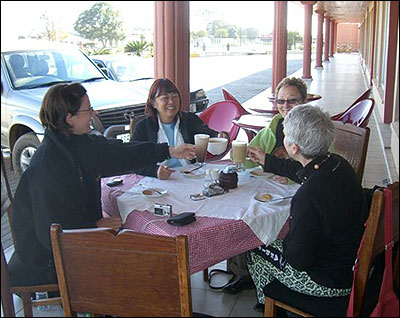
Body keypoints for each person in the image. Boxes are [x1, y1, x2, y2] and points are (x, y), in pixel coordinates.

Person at [8, 82, 196, 287]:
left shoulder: (76, 142)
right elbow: (50, 232)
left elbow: (122, 153)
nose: (93, 113)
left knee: (144, 253)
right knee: (142, 267)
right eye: (88, 109)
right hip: (47, 263)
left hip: (78, 240)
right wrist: (93, 227)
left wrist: (169, 151)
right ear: (69, 118)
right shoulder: (49, 164)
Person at [246, 105, 368, 311]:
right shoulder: (338, 164)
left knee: (256, 246)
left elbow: (298, 260)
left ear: (293, 148)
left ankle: (270, 306)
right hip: (349, 262)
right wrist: (267, 161)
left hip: (328, 282)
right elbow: (300, 171)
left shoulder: (307, 196)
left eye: (285, 135)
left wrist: (280, 238)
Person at [223, 77, 308, 295]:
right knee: (244, 211)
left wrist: (288, 177)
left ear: (304, 101)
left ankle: (273, 269)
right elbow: (251, 158)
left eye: (292, 101)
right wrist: (240, 154)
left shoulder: (313, 131)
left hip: (301, 194)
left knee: (260, 216)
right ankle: (246, 272)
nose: (285, 106)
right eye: (281, 101)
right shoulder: (274, 126)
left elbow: (319, 169)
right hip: (270, 191)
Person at [131, 78, 229, 180]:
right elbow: (133, 160)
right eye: (165, 98)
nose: (171, 101)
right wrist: (154, 171)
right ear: (153, 103)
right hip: (156, 180)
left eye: (174, 96)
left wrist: (221, 136)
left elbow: (209, 135)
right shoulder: (143, 127)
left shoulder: (190, 120)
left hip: (190, 176)